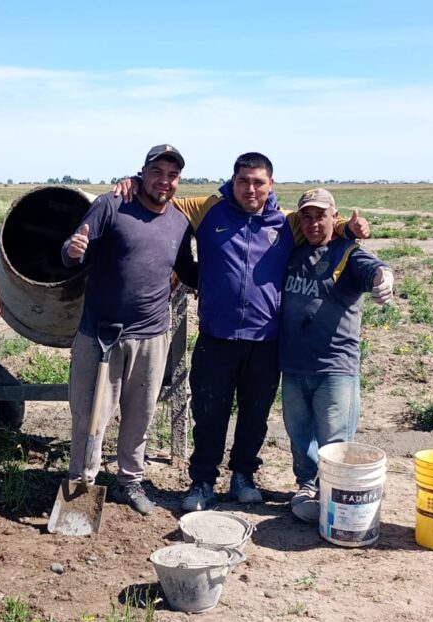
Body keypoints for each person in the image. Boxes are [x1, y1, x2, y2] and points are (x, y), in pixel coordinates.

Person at [115, 153, 371, 511]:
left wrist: (349, 228)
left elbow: (325, 223)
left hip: (266, 342)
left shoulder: (287, 222)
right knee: (208, 415)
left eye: (258, 182)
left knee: (255, 416)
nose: (250, 189)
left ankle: (243, 477)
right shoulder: (207, 209)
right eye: (243, 181)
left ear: (271, 184)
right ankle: (202, 482)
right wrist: (133, 180)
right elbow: (161, 193)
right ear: (232, 182)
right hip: (216, 338)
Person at [59, 144, 197, 515]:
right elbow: (72, 251)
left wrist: (225, 283)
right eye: (157, 172)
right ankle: (81, 482)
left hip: (152, 335)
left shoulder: (180, 223)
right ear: (143, 172)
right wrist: (73, 251)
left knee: (140, 415)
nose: (164, 181)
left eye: (172, 175)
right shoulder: (112, 205)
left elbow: (186, 270)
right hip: (100, 334)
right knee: (89, 414)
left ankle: (129, 483)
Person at [278, 189, 392, 522]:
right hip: (294, 365)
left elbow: (375, 269)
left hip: (335, 367)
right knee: (299, 435)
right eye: (307, 217)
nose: (314, 223)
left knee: (335, 440)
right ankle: (307, 486)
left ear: (334, 217)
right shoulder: (293, 252)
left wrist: (385, 279)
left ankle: (335, 495)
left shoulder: (348, 253)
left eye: (321, 216)